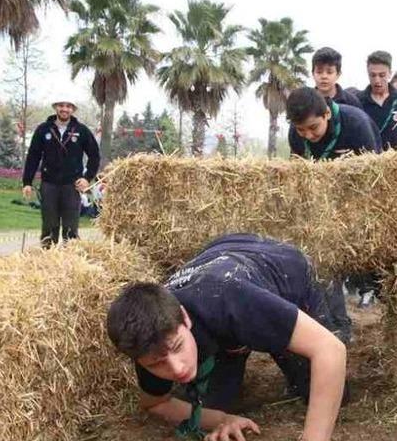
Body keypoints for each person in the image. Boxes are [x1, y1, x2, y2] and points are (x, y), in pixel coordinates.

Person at [106, 233, 348, 441]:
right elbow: (156, 403)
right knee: (212, 402)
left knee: (321, 386)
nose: (177, 368)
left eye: (178, 347)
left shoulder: (233, 300)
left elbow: (331, 349)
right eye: (157, 364)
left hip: (286, 271)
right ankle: (232, 348)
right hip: (222, 275)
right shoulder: (147, 337)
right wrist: (221, 419)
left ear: (184, 318)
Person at [22, 99, 100, 248]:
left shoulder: (81, 130)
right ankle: (47, 256)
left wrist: (87, 178)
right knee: (49, 224)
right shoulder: (43, 129)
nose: (65, 109)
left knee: (71, 226)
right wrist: (27, 182)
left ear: (73, 109)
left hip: (72, 185)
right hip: (49, 184)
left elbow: (94, 156)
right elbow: (33, 156)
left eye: (69, 106)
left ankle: (70, 258)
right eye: (61, 106)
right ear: (55, 108)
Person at [287, 87, 377, 160]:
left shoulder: (358, 125)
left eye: (313, 127)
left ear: (327, 113)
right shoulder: (294, 132)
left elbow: (374, 167)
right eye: (301, 130)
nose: (308, 135)